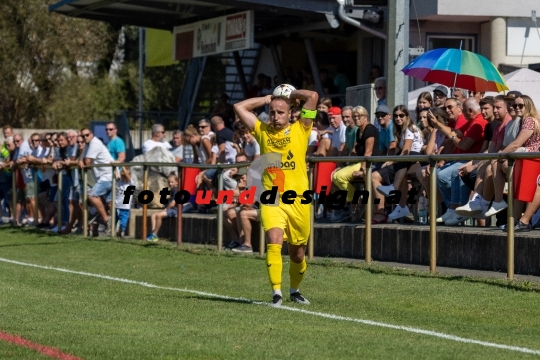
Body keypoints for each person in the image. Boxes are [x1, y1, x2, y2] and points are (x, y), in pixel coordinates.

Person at [234, 86, 318, 306]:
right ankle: (276, 294)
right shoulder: (262, 130)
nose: (275, 116)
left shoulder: (303, 128)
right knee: (274, 239)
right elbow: (239, 107)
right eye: (272, 112)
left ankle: (294, 290)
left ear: (291, 113)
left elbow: (313, 96)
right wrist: (265, 98)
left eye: (281, 112)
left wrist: (292, 96)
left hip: (298, 201)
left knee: (298, 254)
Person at [80, 128, 114, 233]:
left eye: (87, 135)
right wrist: (80, 161)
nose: (85, 137)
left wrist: (82, 161)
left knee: (91, 195)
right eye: (83, 136)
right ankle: (113, 228)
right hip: (104, 176)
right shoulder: (88, 144)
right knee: (109, 203)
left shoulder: (94, 143)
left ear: (92, 134)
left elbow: (87, 162)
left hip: (107, 176)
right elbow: (83, 158)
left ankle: (106, 220)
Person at [146, 173, 178, 242]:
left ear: (177, 182)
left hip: (176, 209)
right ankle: (153, 233)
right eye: (169, 182)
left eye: (172, 182)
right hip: (171, 209)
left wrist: (165, 209)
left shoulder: (176, 190)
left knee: (159, 215)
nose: (170, 184)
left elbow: (173, 203)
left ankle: (155, 234)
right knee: (153, 215)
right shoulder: (172, 190)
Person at [115, 166, 133, 237]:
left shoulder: (131, 183)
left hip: (125, 207)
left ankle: (119, 233)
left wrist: (122, 165)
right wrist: (116, 166)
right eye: (122, 176)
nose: (123, 178)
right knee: (114, 221)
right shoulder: (119, 182)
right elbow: (116, 174)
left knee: (123, 224)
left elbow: (127, 175)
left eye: (124, 176)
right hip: (117, 205)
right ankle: (113, 234)